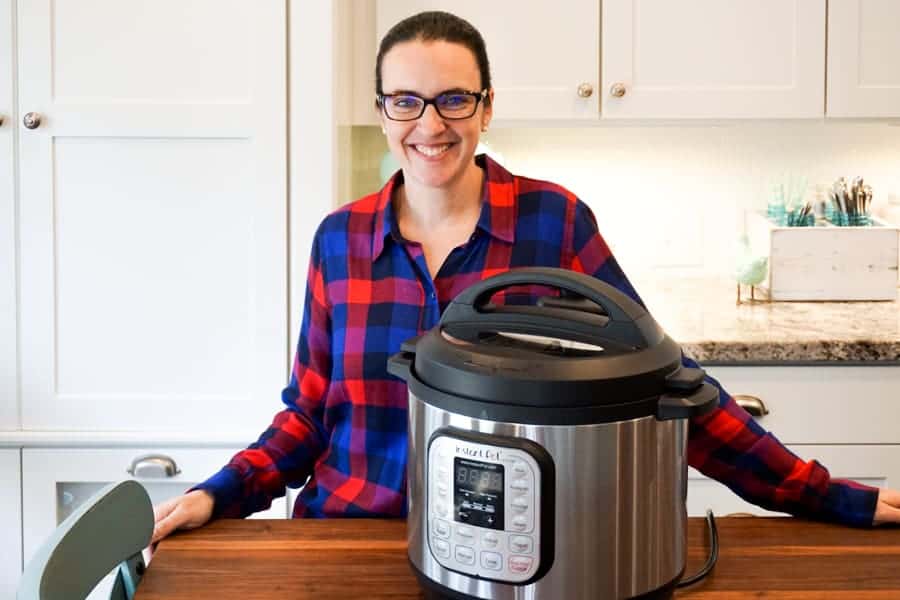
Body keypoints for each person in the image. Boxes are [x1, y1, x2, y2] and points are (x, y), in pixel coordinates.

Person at [151, 11, 900, 543]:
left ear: (486, 107)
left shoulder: (553, 224)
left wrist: (823, 495)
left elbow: (666, 384)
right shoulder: (340, 240)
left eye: (454, 98)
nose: (430, 123)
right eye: (406, 100)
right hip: (352, 543)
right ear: (382, 112)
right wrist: (218, 494)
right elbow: (308, 418)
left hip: (519, 555)